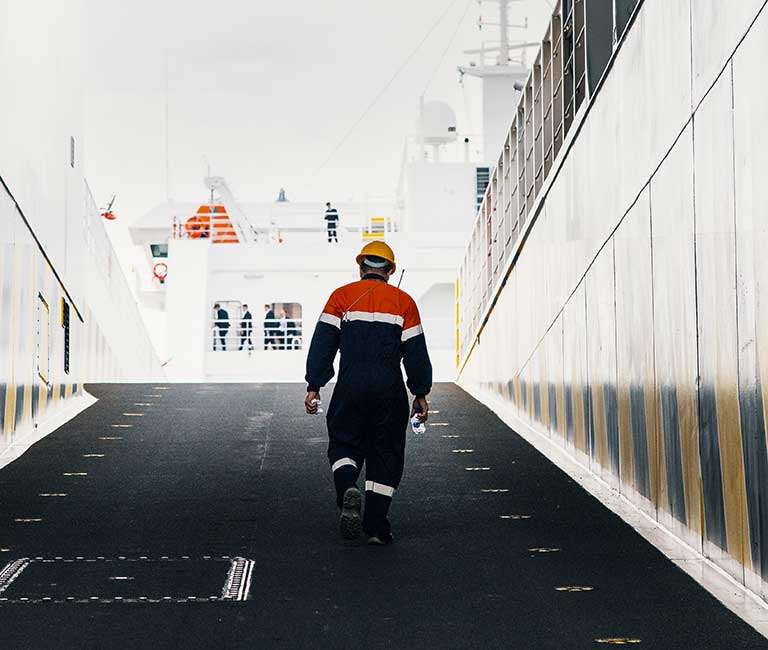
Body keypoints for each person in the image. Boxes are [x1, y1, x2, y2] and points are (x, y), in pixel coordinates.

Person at [304, 241, 432, 545]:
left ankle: (347, 487)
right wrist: (420, 392)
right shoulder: (405, 302)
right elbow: (415, 353)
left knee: (344, 444)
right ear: (390, 270)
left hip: (350, 386)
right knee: (385, 453)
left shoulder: (341, 297)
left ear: (361, 267)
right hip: (390, 391)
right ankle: (375, 527)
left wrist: (314, 386)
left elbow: (323, 344)